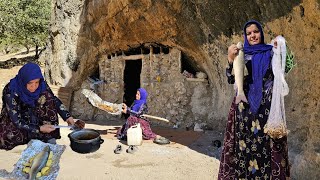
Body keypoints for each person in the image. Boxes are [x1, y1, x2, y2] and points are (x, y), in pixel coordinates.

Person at [218, 20, 290, 179]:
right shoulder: (241, 54)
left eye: (256, 31)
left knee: (267, 142)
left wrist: (282, 49)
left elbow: (288, 66)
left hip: (267, 107)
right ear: (245, 36)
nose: (253, 35)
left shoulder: (271, 51)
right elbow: (231, 79)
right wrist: (230, 59)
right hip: (244, 107)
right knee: (244, 144)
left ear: (261, 33)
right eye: (249, 33)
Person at [0, 62, 85, 150]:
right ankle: (35, 133)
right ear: (24, 80)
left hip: (35, 116)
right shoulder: (11, 91)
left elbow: (54, 100)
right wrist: (39, 129)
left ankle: (44, 133)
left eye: (36, 82)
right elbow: (16, 121)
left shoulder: (41, 85)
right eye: (30, 83)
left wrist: (67, 116)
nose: (34, 87)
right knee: (16, 134)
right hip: (17, 120)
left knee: (47, 97)